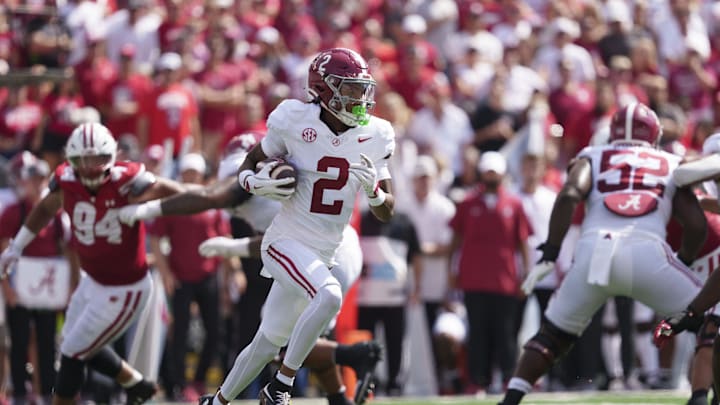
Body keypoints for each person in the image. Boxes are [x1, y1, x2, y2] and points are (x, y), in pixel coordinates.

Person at [117, 47, 395, 405]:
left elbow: (387, 210)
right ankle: (281, 386)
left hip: (330, 248)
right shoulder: (294, 120)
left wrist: (374, 194)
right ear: (324, 90)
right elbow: (250, 163)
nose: (360, 98)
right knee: (328, 297)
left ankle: (217, 401)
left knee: (267, 340)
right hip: (286, 241)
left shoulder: (375, 133)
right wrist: (252, 182)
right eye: (350, 89)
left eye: (362, 89)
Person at [500, 102, 708, 405]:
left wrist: (550, 252)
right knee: (711, 320)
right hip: (646, 250)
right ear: (654, 134)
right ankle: (701, 397)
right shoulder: (670, 161)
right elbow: (696, 224)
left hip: (594, 251)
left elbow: (570, 194)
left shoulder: (593, 155)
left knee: (551, 336)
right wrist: (684, 261)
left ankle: (511, 399)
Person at [0, 122, 186, 405]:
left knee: (74, 350)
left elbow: (177, 192)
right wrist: (17, 246)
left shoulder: (127, 180)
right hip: (93, 280)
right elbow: (46, 208)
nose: (89, 167)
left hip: (125, 287)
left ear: (110, 157)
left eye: (97, 159)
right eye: (82, 160)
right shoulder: (67, 181)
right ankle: (137, 384)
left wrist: (151, 208)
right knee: (73, 342)